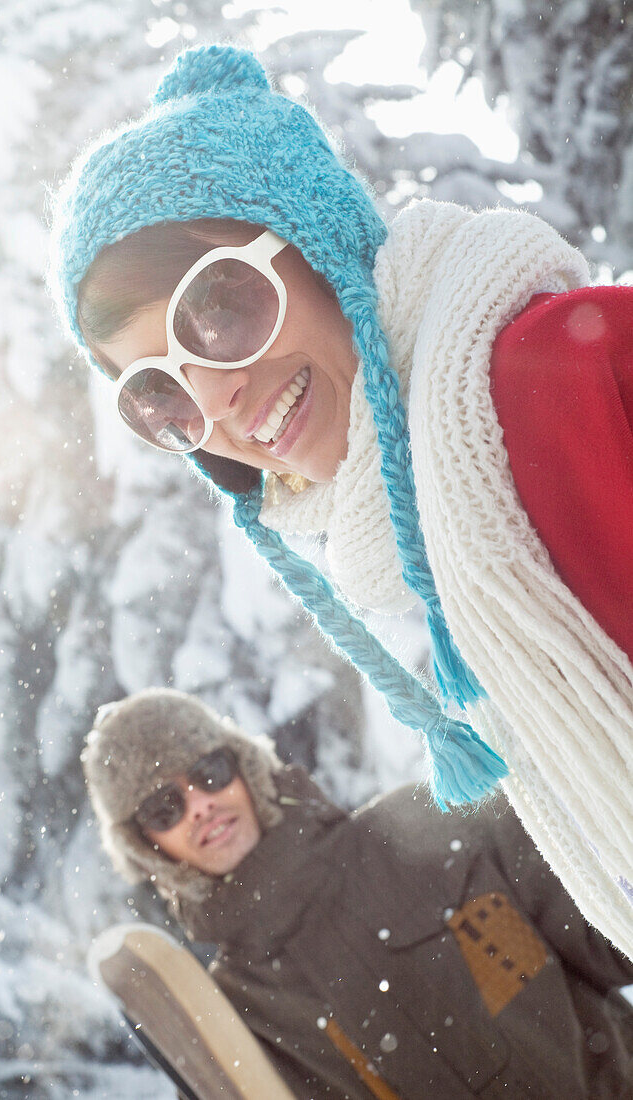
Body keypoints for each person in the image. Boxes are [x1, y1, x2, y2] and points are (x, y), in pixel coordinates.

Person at [49, 44, 633, 954]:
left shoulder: (565, 371)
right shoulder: (442, 545)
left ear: (318, 244)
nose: (212, 401)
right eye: (158, 393)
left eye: (218, 309)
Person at [82, 687, 633, 1100]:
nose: (200, 804)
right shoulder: (238, 1016)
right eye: (164, 807)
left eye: (208, 771)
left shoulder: (424, 823)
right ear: (147, 845)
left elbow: (612, 928)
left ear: (244, 767)